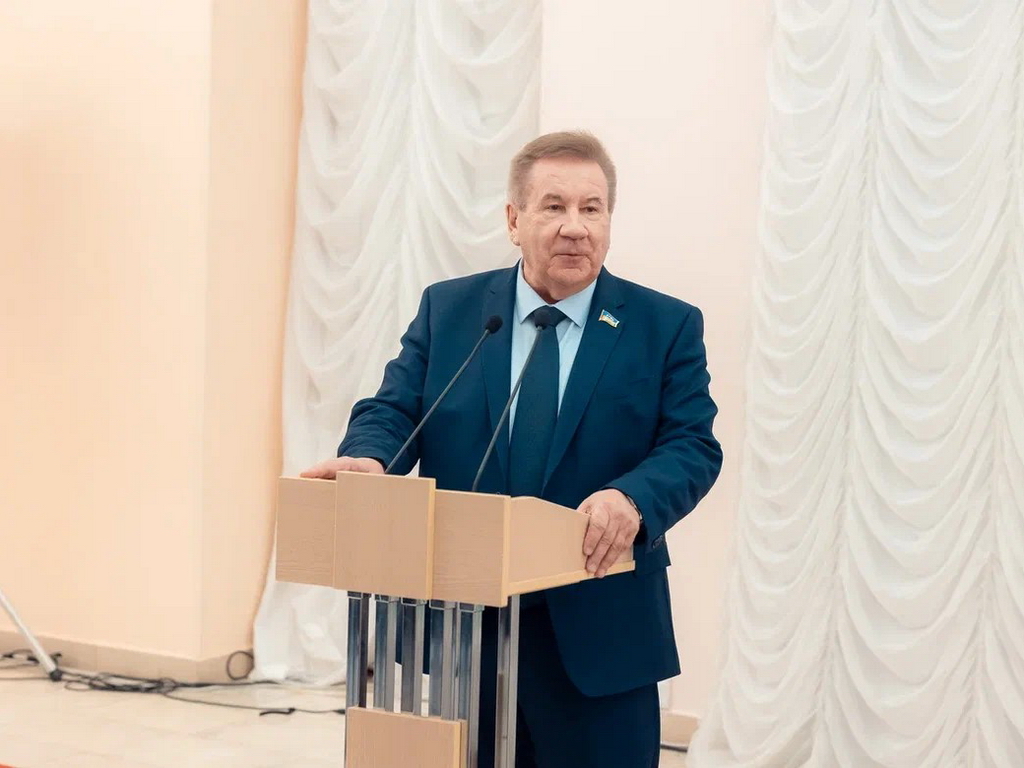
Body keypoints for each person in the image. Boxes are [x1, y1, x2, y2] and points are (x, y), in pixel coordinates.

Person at [302, 131, 722, 768]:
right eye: (554, 206)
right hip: (468, 625)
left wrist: (632, 499)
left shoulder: (664, 325)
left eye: (592, 208)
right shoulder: (453, 310)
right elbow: (395, 410)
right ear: (514, 220)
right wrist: (370, 460)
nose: (575, 226)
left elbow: (692, 444)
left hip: (600, 625)